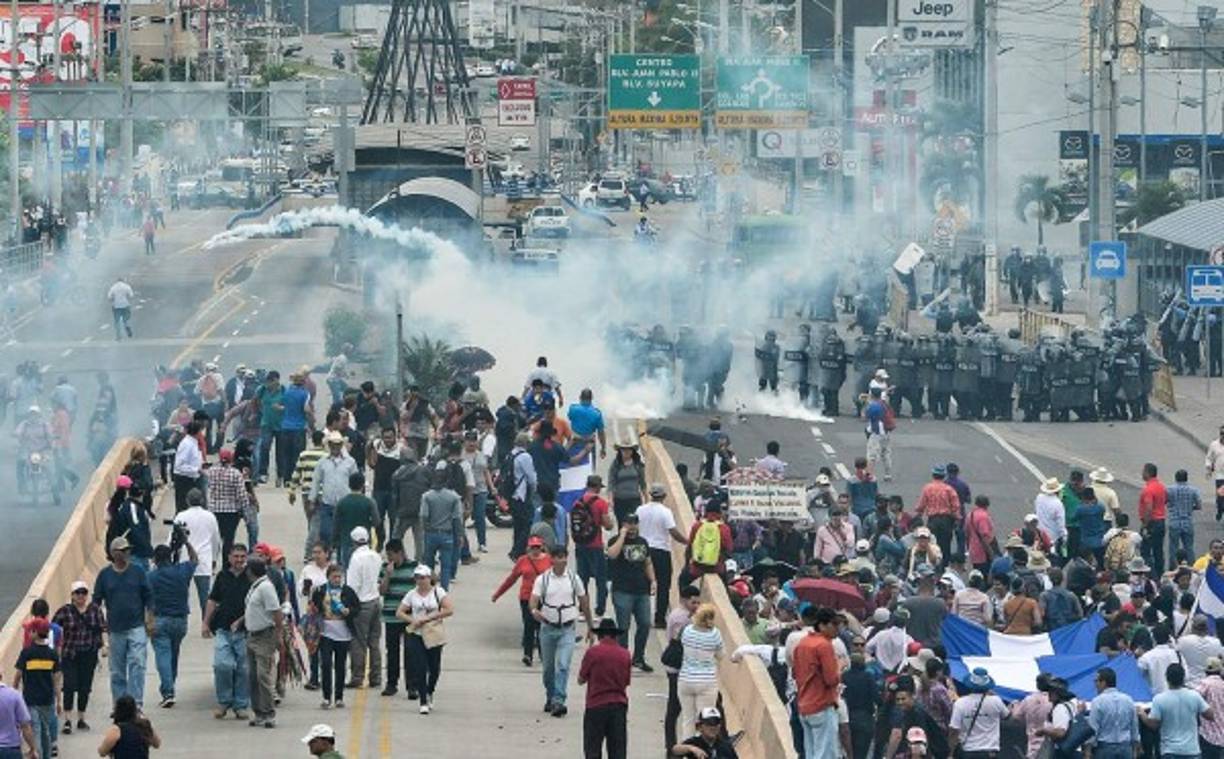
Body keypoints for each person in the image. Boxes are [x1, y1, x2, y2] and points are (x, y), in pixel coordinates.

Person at [531, 544, 595, 716]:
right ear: (551, 558)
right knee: (548, 669)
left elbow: (584, 602)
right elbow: (534, 600)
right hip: (547, 628)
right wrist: (534, 611)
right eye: (557, 557)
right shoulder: (543, 580)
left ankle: (559, 699)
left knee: (563, 665)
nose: (561, 560)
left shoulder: (574, 579)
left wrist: (590, 626)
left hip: (567, 628)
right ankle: (550, 695)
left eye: (563, 557)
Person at [93, 536, 151, 710]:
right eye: (123, 551)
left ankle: (136, 704)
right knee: (117, 671)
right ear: (113, 553)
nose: (127, 553)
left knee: (138, 664)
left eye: (128, 550)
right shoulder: (105, 575)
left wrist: (150, 618)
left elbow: (148, 595)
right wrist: (99, 625)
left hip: (136, 626)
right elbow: (97, 600)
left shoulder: (138, 571)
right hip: (116, 629)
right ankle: (120, 706)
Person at [396, 564, 455, 715]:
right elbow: (400, 612)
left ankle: (430, 690)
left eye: (423, 578)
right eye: (417, 578)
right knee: (420, 667)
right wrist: (412, 620)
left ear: (429, 578)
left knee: (434, 667)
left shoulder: (438, 592)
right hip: (417, 634)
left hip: (433, 632)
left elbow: (449, 609)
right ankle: (423, 700)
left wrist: (430, 617)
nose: (420, 581)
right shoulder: (411, 594)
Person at [147, 539, 198, 708]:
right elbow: (195, 560)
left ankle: (168, 691)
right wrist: (187, 543)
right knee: (173, 656)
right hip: (180, 620)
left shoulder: (151, 577)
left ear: (155, 559)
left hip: (160, 619)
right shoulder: (181, 571)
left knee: (163, 656)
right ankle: (170, 687)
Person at [204, 543, 251, 720]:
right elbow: (212, 600)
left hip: (245, 632)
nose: (239, 560)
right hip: (223, 629)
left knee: (243, 669)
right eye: (236, 556)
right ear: (229, 557)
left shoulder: (250, 576)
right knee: (221, 665)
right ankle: (224, 702)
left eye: (242, 556)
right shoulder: (222, 576)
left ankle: (240, 705)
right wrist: (205, 623)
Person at [53, 581, 106, 734]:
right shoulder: (65, 611)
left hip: (88, 653)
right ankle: (68, 719)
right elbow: (54, 628)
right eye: (78, 593)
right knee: (69, 685)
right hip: (70, 653)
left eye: (84, 593)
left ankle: (81, 718)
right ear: (72, 595)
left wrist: (104, 645)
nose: (81, 596)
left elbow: (102, 628)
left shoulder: (94, 610)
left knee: (85, 686)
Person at [607, 514, 656, 672]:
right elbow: (612, 554)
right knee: (624, 626)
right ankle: (623, 657)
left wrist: (653, 580)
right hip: (622, 590)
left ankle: (638, 657)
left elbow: (647, 562)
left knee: (645, 623)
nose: (632, 526)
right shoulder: (615, 541)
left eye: (635, 523)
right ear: (624, 524)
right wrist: (622, 535)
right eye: (629, 523)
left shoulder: (643, 542)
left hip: (641, 590)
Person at [492, 536, 551, 667]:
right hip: (526, 598)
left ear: (541, 547)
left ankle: (543, 654)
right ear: (528, 548)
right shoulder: (523, 561)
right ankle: (527, 654)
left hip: (543, 598)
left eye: (537, 547)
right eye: (532, 547)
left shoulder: (548, 560)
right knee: (529, 625)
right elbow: (511, 579)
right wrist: (497, 594)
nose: (535, 550)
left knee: (541, 626)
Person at [579, 618, 632, 759]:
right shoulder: (625, 654)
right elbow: (626, 682)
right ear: (616, 635)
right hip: (618, 705)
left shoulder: (593, 653)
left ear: (599, 635)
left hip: (596, 704)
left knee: (593, 748)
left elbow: (581, 679)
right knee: (617, 750)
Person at [793, 606, 842, 759]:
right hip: (821, 704)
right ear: (821, 625)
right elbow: (831, 679)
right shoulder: (824, 645)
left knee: (812, 753)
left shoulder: (802, 643)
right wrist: (839, 667)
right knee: (826, 754)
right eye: (833, 624)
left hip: (804, 705)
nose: (837, 628)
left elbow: (795, 672)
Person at [1139, 663, 1215, 758]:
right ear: (1183, 678)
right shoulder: (1194, 696)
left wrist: (1142, 714)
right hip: (1191, 750)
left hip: (1169, 751)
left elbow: (1153, 725)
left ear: (1167, 678)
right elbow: (1210, 715)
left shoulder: (1159, 699)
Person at [310, 563, 358, 710]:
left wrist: (348, 611)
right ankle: (326, 697)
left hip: (343, 633)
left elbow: (357, 608)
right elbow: (314, 606)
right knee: (325, 663)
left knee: (340, 665)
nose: (337, 579)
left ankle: (338, 697)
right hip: (325, 632)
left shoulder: (348, 591)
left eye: (339, 577)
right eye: (334, 577)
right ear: (328, 577)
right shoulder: (321, 590)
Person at [243, 557, 284, 728]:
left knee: (262, 675)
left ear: (251, 571)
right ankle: (258, 712)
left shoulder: (266, 588)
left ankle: (268, 713)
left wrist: (279, 635)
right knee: (252, 677)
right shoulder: (256, 587)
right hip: (252, 636)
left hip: (265, 636)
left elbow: (276, 612)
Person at [343, 527, 382, 691]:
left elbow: (353, 585)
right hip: (376, 601)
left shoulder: (356, 558)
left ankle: (357, 677)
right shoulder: (376, 555)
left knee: (358, 642)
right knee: (374, 642)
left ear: (353, 542)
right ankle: (376, 676)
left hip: (361, 604)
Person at [13, 619, 58, 759]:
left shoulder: (26, 653)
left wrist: (14, 691)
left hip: (31, 699)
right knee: (46, 731)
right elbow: (56, 678)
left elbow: (18, 675)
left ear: (35, 633)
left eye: (30, 630)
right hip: (48, 699)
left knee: (35, 731)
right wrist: (59, 700)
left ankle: (36, 754)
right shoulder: (52, 654)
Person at [378, 540, 417, 697]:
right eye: (387, 555)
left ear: (400, 552)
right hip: (391, 616)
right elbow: (382, 591)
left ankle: (412, 686)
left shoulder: (414, 567)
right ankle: (391, 684)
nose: (389, 558)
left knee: (411, 652)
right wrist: (388, 575)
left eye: (391, 555)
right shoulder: (384, 568)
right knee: (392, 652)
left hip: (409, 617)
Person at [678, 603, 724, 735]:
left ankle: (687, 751)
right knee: (704, 721)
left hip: (685, 679)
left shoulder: (687, 630)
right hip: (706, 681)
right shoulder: (715, 634)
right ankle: (701, 751)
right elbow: (721, 655)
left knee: (688, 720)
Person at [309, 432, 359, 555]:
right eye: (333, 444)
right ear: (329, 445)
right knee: (325, 532)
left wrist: (357, 497)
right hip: (327, 504)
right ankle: (327, 556)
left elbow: (356, 481)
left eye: (338, 444)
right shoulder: (322, 462)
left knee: (345, 533)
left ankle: (342, 558)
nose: (335, 447)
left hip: (345, 504)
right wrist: (312, 499)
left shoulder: (350, 462)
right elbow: (316, 481)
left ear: (341, 445)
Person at [572, 474, 615, 617]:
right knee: (601, 579)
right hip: (595, 545)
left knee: (582, 579)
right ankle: (599, 611)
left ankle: (583, 610)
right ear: (597, 487)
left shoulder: (577, 502)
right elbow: (608, 526)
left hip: (580, 545)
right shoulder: (601, 503)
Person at [948, 667, 1008, 759]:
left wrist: (950, 754)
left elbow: (954, 730)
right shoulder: (996, 701)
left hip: (968, 752)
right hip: (990, 752)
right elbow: (1007, 716)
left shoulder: (960, 703)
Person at [420, 465, 463, 591]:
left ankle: (429, 589)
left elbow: (424, 516)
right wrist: (459, 535)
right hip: (447, 534)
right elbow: (456, 518)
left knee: (428, 564)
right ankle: (443, 591)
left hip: (431, 534)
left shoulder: (427, 496)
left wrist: (426, 530)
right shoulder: (454, 497)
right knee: (446, 566)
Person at [1086, 667, 1140, 759]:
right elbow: (1134, 727)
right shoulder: (1128, 700)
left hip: (1104, 749)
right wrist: (1135, 750)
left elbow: (1093, 729)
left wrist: (1087, 751)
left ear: (1103, 683)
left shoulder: (1097, 701)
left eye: (1096, 681)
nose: (1095, 684)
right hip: (1125, 748)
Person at [207, 449, 252, 558]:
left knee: (215, 538)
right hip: (231, 512)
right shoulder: (235, 473)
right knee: (229, 539)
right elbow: (242, 495)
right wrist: (247, 512)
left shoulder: (211, 472)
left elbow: (208, 488)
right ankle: (226, 565)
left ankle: (212, 560)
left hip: (214, 510)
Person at [914, 467, 960, 564]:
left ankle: (933, 565)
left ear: (933, 475)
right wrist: (957, 519)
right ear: (944, 476)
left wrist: (918, 514)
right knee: (946, 545)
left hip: (933, 521)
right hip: (946, 521)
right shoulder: (949, 489)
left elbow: (921, 506)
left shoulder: (927, 488)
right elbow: (956, 506)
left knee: (932, 544)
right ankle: (945, 566)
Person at [334, 474, 377, 569]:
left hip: (346, 542)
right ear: (362, 486)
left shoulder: (342, 502)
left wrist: (335, 542)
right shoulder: (369, 502)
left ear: (349, 485)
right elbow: (376, 521)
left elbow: (336, 525)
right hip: (364, 543)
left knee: (348, 571)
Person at [0, 664, 38, 759]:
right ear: (1, 675)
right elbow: (25, 726)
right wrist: (32, 748)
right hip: (10, 749)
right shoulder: (14, 695)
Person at [671, 706, 739, 759]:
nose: (713, 727)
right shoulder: (695, 742)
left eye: (716, 723)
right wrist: (692, 749)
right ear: (700, 727)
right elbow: (675, 749)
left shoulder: (726, 746)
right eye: (709, 723)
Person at [1166, 469, 1201, 569]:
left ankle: (1173, 568)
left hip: (1174, 521)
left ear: (1176, 478)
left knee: (1173, 548)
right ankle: (1192, 568)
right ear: (1186, 478)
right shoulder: (1194, 490)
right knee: (1189, 547)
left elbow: (1165, 502)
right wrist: (1190, 507)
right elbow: (1199, 505)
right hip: (1187, 521)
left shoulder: (1169, 490)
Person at [1139, 462, 1168, 573]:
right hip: (1161, 521)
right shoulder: (1161, 486)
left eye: (1143, 471)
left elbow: (1149, 508)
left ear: (1148, 473)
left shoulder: (1148, 489)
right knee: (1158, 550)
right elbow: (1165, 499)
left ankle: (1150, 573)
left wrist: (1145, 524)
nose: (1142, 473)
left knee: (1145, 550)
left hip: (1152, 523)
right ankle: (1160, 573)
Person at [608, 443, 647, 525]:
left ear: (632, 451)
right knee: (622, 524)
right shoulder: (616, 465)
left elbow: (643, 483)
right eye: (624, 449)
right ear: (620, 451)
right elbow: (611, 483)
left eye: (629, 449)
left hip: (634, 500)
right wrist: (611, 500)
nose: (626, 452)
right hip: (619, 500)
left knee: (633, 523)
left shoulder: (637, 465)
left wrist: (646, 498)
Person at [864, 387, 893, 482]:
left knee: (872, 454)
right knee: (886, 453)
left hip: (876, 432)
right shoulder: (885, 404)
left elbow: (865, 416)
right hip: (887, 432)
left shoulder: (873, 406)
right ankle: (888, 474)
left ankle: (869, 474)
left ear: (872, 395)